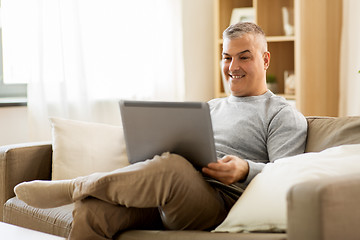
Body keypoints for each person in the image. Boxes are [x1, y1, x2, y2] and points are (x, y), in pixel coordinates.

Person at [14, 22, 307, 240]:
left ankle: (76, 186)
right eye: (227, 57)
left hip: (220, 202)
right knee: (94, 211)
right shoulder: (211, 107)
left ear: (265, 60)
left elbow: (288, 176)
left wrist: (245, 169)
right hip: (170, 194)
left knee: (173, 166)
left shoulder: (282, 115)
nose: (233, 66)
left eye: (244, 57)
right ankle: (89, 192)